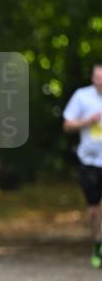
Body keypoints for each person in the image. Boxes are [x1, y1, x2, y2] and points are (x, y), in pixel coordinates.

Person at [63, 64, 102, 268]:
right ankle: (97, 242)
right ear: (92, 78)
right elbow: (67, 124)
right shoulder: (82, 96)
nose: (100, 81)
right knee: (94, 210)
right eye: (97, 77)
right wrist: (87, 121)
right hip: (88, 160)